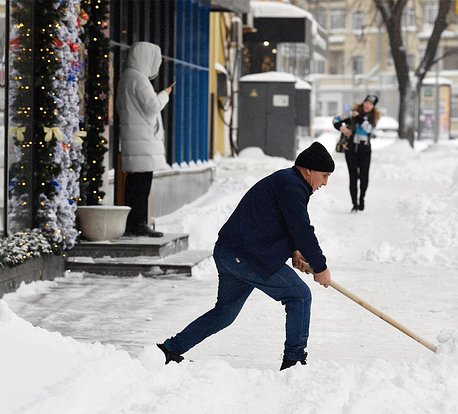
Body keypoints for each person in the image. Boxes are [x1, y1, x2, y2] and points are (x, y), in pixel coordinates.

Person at [157, 142, 335, 371]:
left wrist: (295, 251)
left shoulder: (288, 181)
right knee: (299, 296)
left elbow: (281, 223)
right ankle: (294, 361)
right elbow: (301, 229)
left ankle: (169, 350)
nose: (325, 183)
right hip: (246, 256)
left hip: (231, 253)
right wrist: (320, 267)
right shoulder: (292, 187)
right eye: (324, 175)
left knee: (224, 314)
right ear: (309, 169)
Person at [117, 42, 174, 237]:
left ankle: (134, 222)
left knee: (136, 182)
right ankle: (137, 223)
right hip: (142, 140)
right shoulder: (138, 79)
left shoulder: (128, 77)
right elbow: (151, 106)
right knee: (141, 183)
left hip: (136, 139)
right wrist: (165, 95)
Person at [332, 94, 381, 212]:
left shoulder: (373, 118)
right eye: (366, 102)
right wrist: (342, 128)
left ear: (373, 107)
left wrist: (359, 117)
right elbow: (335, 120)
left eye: (371, 104)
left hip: (365, 150)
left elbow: (369, 129)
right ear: (363, 102)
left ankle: (361, 198)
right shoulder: (352, 113)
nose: (368, 105)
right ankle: (354, 203)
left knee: (364, 177)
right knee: (353, 177)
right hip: (351, 149)